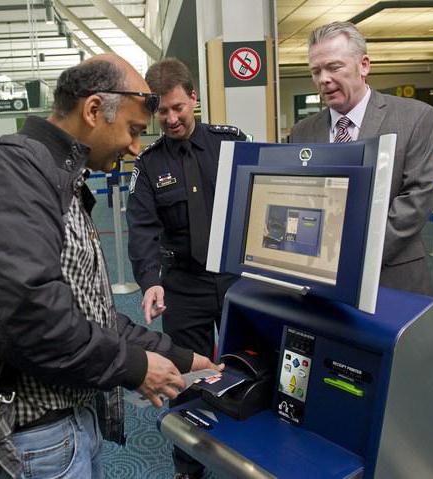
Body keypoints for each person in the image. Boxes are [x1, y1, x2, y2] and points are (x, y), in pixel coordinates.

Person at [0, 54, 221, 479]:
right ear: (94, 110)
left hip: (71, 422)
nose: (136, 146)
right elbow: (30, 312)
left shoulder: (54, 177)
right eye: (133, 130)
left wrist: (181, 357)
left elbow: (90, 311)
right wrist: (135, 369)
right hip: (32, 437)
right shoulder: (13, 170)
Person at [126, 57, 246, 479]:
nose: (171, 119)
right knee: (186, 376)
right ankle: (189, 465)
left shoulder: (232, 143)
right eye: (162, 111)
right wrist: (149, 282)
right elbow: (141, 229)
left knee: (249, 365)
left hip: (237, 280)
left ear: (194, 97)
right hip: (183, 285)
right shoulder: (148, 164)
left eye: (178, 107)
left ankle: (250, 451)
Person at [289, 21, 433, 296]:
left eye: (334, 67)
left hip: (391, 273)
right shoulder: (302, 131)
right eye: (316, 71)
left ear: (364, 65)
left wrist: (355, 256)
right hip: (319, 278)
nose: (323, 79)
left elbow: (417, 198)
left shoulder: (415, 117)